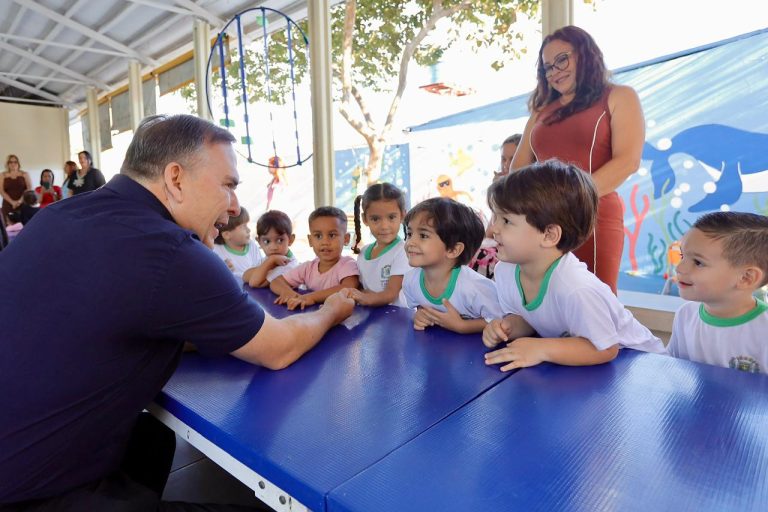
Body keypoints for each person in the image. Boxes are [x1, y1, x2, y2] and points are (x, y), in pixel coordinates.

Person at [0, 114, 354, 510]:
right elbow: (278, 348)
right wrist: (331, 310)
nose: (234, 206)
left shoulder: (57, 216)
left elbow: (106, 318)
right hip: (26, 494)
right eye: (228, 185)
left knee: (153, 437)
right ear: (175, 179)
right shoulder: (168, 250)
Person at [483, 160, 665, 371]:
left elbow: (605, 348)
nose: (493, 229)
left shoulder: (575, 287)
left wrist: (542, 349)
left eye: (506, 221)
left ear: (549, 235)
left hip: (644, 365)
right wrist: (508, 327)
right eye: (495, 217)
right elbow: (532, 318)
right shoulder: (506, 272)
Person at [511, 26, 645, 294]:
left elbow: (627, 161)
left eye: (562, 60)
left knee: (593, 300)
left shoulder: (619, 96)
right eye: (548, 67)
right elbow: (518, 169)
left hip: (593, 216)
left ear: (585, 54)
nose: (554, 71)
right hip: (543, 221)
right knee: (545, 299)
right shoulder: (541, 110)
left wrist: (569, 201)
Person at [668, 212, 768, 373]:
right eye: (682, 255)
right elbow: (673, 369)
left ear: (746, 278)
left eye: (698, 262)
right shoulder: (685, 315)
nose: (680, 268)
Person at [399, 197, 503, 334]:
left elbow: (502, 319)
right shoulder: (410, 281)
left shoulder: (474, 287)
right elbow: (421, 308)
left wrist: (462, 326)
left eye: (423, 235)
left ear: (453, 250)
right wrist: (420, 315)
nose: (410, 242)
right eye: (409, 234)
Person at [270, 206, 360, 310]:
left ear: (346, 239)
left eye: (332, 235)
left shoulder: (347, 264)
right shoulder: (308, 267)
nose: (325, 242)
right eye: (318, 236)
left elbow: (348, 288)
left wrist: (311, 297)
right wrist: (288, 293)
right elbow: (276, 282)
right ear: (310, 240)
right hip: (310, 316)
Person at [348, 182, 411, 306]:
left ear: (402, 216)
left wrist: (360, 297)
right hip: (370, 314)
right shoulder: (363, 253)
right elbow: (362, 289)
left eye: (391, 217)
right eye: (375, 219)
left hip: (396, 316)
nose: (384, 226)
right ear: (365, 219)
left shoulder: (403, 251)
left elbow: (391, 294)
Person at [246, 209, 299, 288]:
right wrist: (270, 261)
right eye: (267, 241)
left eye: (280, 240)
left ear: (290, 240)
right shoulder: (268, 258)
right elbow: (245, 276)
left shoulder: (289, 265)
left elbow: (254, 283)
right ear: (259, 242)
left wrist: (270, 261)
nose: (273, 247)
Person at [211, 206, 263, 281]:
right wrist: (222, 269)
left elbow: (260, 269)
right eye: (243, 226)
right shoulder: (216, 251)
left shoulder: (252, 246)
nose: (248, 230)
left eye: (247, 225)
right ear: (227, 235)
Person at [1, 154, 32, 225]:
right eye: (10, 162)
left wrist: (20, 201)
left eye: (15, 162)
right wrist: (12, 202)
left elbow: (29, 188)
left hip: (23, 204)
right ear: (7, 164)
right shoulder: (2, 175)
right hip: (8, 205)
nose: (13, 164)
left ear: (18, 163)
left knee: (24, 226)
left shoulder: (25, 174)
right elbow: (1, 191)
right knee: (8, 228)